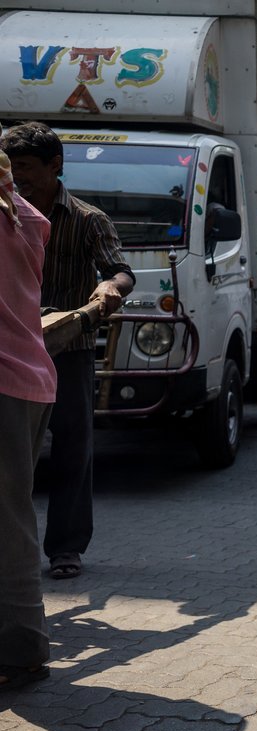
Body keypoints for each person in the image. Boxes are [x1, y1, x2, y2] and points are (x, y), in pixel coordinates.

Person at [1, 121, 135, 581]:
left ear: (55, 166)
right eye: (11, 168)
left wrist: (108, 290)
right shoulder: (6, 214)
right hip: (12, 349)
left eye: (26, 168)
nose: (18, 178)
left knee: (73, 450)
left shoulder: (87, 219)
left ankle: (65, 548)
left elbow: (120, 271)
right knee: (12, 456)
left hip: (69, 349)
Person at [0, 141, 56, 688]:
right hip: (28, 377)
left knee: (9, 517)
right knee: (12, 513)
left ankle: (20, 650)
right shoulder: (28, 215)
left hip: (8, 381)